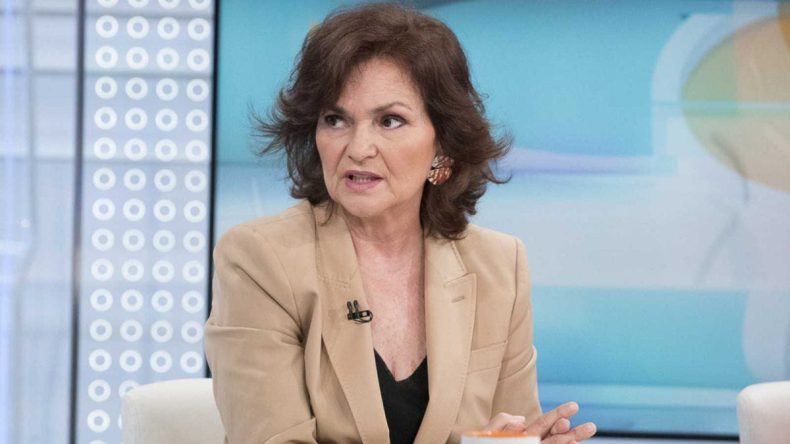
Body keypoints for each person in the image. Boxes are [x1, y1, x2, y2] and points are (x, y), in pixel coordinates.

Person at [205, 3, 596, 443]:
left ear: (442, 145)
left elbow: (511, 430)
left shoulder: (499, 266)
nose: (359, 148)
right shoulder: (259, 261)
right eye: (336, 120)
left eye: (390, 121)